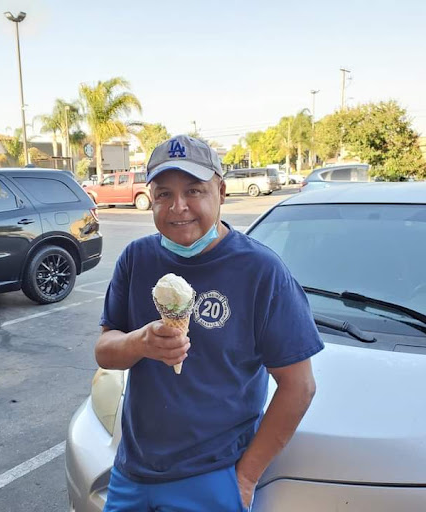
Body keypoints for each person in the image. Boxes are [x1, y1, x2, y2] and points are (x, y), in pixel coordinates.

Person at [95, 134, 324, 511]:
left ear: (221, 191)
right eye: (164, 193)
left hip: (212, 476)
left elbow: (299, 386)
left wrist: (245, 478)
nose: (178, 207)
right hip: (132, 472)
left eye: (194, 190)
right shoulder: (136, 258)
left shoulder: (260, 271)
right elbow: (105, 351)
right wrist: (140, 343)